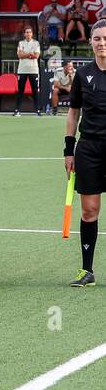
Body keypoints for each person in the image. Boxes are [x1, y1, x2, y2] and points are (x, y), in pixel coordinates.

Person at [65, 21, 106, 287]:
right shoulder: (83, 75)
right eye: (97, 39)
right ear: (90, 42)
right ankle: (86, 270)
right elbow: (73, 114)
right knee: (89, 211)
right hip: (89, 148)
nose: (102, 43)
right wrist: (69, 150)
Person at [15, 26, 42, 116]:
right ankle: (17, 110)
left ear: (32, 34)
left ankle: (37, 110)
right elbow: (19, 55)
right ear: (24, 34)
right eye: (26, 32)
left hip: (33, 70)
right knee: (20, 90)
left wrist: (25, 54)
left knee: (35, 90)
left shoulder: (36, 43)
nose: (28, 34)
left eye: (30, 32)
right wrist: (30, 54)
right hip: (22, 69)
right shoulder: (20, 43)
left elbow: (36, 56)